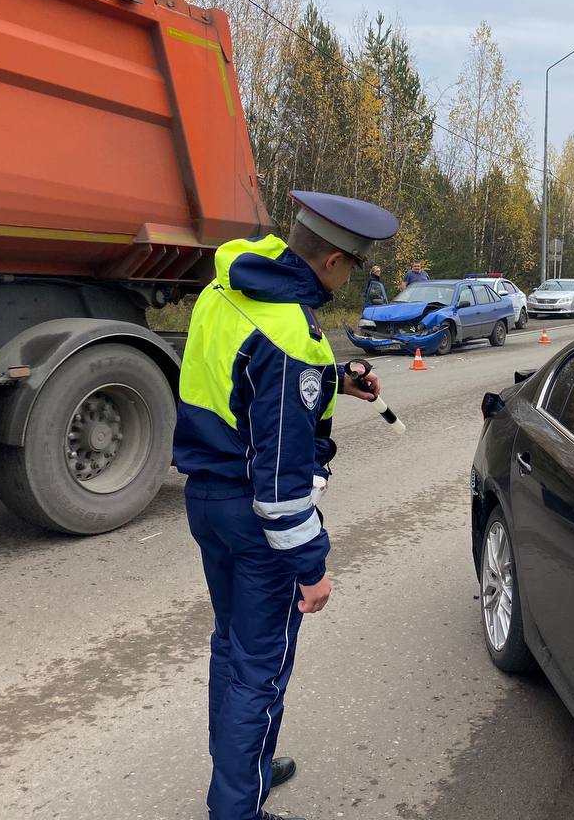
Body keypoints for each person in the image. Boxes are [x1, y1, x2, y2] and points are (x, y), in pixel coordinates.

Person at [174, 190, 399, 820]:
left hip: (208, 500)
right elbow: (280, 489)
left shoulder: (233, 287)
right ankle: (237, 807)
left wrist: (335, 379)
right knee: (262, 670)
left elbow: (244, 376)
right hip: (255, 517)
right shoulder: (290, 333)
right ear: (331, 260)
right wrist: (313, 566)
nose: (350, 276)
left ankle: (241, 764)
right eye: (351, 265)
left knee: (234, 648)